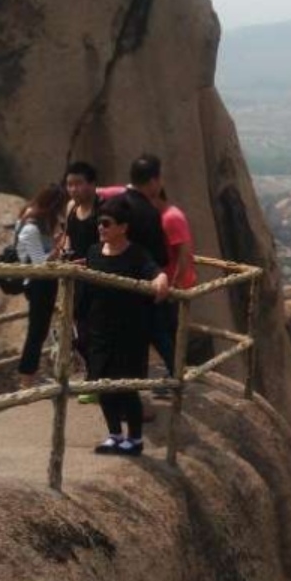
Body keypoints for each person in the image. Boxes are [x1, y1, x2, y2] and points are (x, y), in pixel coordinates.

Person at [84, 194, 169, 455]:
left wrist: (161, 278)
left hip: (130, 331)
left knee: (127, 387)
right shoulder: (94, 252)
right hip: (99, 330)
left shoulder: (136, 254)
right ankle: (114, 434)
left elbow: (154, 271)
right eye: (99, 223)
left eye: (107, 223)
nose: (101, 228)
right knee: (102, 386)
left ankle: (134, 439)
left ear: (123, 227)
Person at [16, 183, 67, 389]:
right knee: (36, 332)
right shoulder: (30, 228)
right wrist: (56, 250)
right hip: (37, 284)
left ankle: (31, 376)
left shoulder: (44, 224)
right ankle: (26, 380)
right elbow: (39, 264)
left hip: (45, 284)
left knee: (40, 330)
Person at [151, 185, 197, 376]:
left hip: (173, 287)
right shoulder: (162, 216)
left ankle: (176, 373)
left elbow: (184, 254)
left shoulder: (171, 217)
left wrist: (175, 285)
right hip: (167, 284)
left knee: (161, 330)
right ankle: (174, 371)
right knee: (168, 331)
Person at [62, 161, 101, 377]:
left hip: (98, 278)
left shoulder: (102, 210)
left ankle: (96, 377)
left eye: (78, 184)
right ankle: (95, 373)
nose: (73, 189)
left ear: (92, 184)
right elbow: (68, 234)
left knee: (94, 331)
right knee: (78, 332)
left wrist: (87, 262)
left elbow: (108, 245)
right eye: (69, 184)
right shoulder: (71, 208)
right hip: (76, 278)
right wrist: (66, 253)